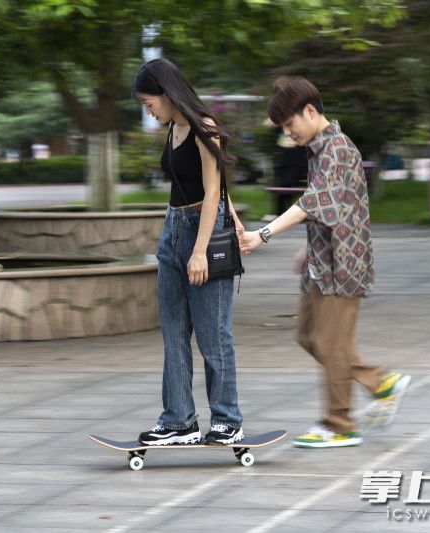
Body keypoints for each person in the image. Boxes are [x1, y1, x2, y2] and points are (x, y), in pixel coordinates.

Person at [241, 76, 411, 449]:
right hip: (320, 259)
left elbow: (312, 201)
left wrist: (262, 234)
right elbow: (331, 206)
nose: (288, 133)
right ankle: (380, 382)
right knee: (308, 337)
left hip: (342, 264)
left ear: (310, 111)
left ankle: (339, 425)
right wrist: (308, 248)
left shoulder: (337, 148)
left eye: (289, 124)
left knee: (332, 345)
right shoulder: (318, 149)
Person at [132, 58, 247, 445]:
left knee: (213, 336)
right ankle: (179, 419)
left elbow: (214, 191)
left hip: (204, 234)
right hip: (172, 232)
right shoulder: (174, 128)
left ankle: (227, 419)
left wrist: (200, 251)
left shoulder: (204, 127)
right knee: (174, 333)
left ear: (166, 93)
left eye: (149, 103)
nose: (149, 111)